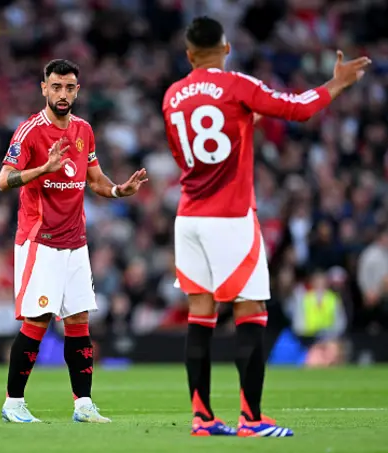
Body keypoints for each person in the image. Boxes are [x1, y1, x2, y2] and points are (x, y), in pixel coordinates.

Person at [162, 17, 371, 437]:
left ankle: (202, 418)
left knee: (201, 315)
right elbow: (298, 109)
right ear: (226, 49)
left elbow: (202, 148)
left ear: (188, 55)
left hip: (188, 218)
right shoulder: (237, 84)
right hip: (231, 217)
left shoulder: (172, 95)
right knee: (251, 311)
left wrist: (242, 125)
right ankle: (251, 420)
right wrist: (337, 84)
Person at [0, 59, 148, 424]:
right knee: (38, 319)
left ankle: (83, 405)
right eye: (56, 87)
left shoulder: (84, 130)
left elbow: (94, 180)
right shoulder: (30, 131)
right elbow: (4, 180)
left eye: (69, 88)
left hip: (75, 241)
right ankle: (13, 403)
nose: (62, 94)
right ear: (44, 89)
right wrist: (43, 169)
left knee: (78, 320)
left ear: (77, 91)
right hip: (40, 240)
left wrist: (118, 189)